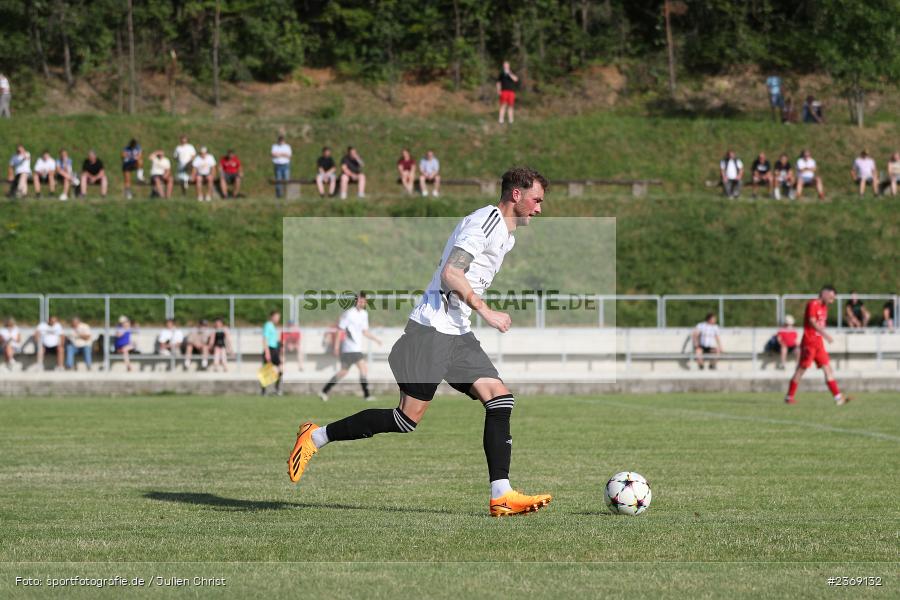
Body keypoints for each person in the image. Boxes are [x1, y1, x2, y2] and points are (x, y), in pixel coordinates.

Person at [288, 167, 552, 517]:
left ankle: (501, 494)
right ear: (516, 194)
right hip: (431, 331)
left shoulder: (506, 234)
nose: (538, 209)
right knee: (405, 420)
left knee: (500, 399)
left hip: (456, 332)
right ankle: (315, 436)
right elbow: (451, 272)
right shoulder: (486, 222)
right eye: (536, 200)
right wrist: (486, 311)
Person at [784, 285, 850, 406]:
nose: (832, 300)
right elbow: (812, 321)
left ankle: (838, 397)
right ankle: (789, 397)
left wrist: (823, 336)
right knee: (801, 369)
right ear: (824, 294)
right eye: (831, 297)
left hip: (819, 344)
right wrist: (826, 335)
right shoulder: (813, 304)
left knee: (827, 368)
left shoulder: (825, 308)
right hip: (809, 342)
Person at [318, 293, 382, 402]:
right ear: (356, 301)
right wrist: (337, 346)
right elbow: (340, 329)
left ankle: (324, 391)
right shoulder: (349, 314)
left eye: (364, 301)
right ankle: (367, 395)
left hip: (355, 348)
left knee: (343, 372)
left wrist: (375, 339)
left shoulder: (364, 314)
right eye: (360, 301)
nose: (362, 303)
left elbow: (364, 331)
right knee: (363, 369)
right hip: (349, 348)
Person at [262, 310, 283, 396]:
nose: (278, 319)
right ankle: (264, 391)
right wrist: (267, 352)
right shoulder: (267, 325)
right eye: (276, 317)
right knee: (266, 371)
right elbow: (265, 339)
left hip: (275, 350)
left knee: (280, 369)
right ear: (272, 316)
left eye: (279, 317)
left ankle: (276, 389)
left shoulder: (273, 326)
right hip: (269, 350)